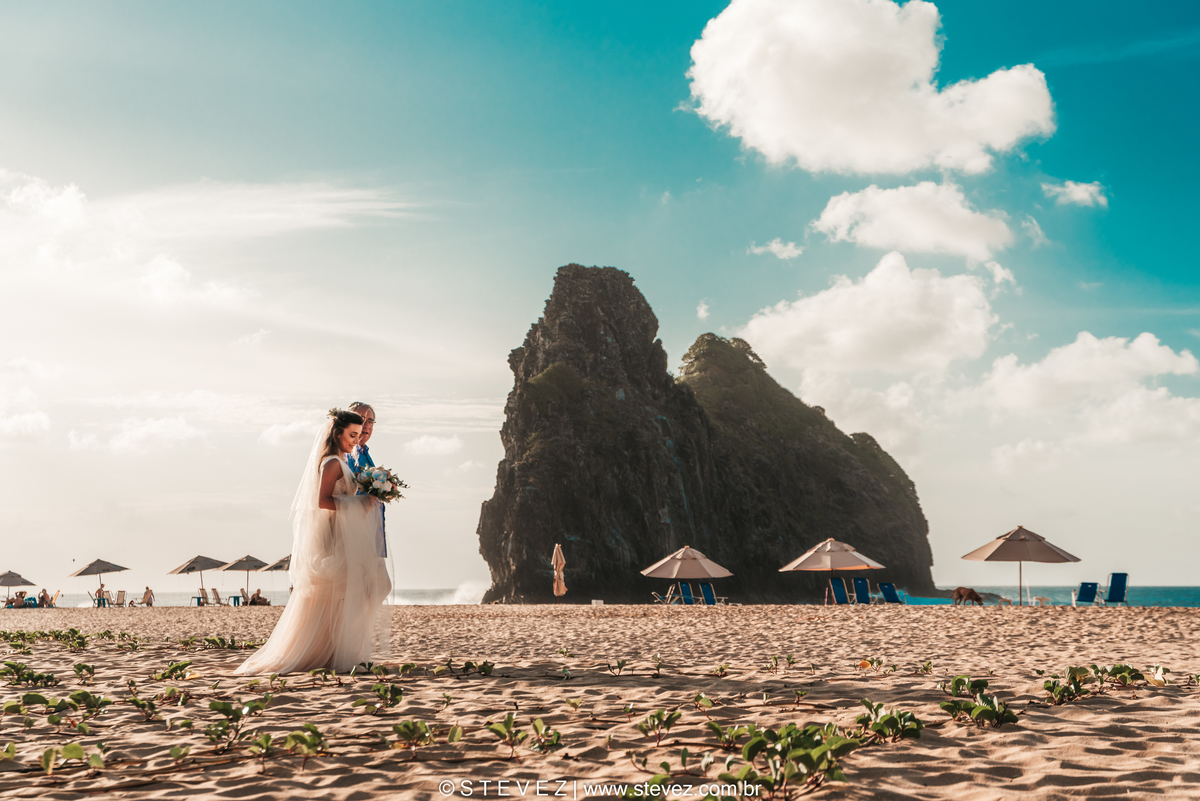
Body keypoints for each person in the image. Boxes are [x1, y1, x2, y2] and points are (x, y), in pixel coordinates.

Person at [235, 408, 392, 675]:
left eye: (359, 435)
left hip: (343, 534)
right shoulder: (331, 463)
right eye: (352, 435)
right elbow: (322, 501)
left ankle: (334, 649)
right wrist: (361, 502)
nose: (356, 440)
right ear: (337, 433)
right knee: (335, 595)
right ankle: (324, 651)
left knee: (342, 596)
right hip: (334, 535)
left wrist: (376, 489)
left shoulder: (342, 461)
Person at [346, 401, 388, 558]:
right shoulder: (348, 454)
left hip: (372, 529)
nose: (366, 425)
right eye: (361, 419)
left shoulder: (364, 453)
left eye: (370, 421)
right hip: (354, 529)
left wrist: (386, 490)